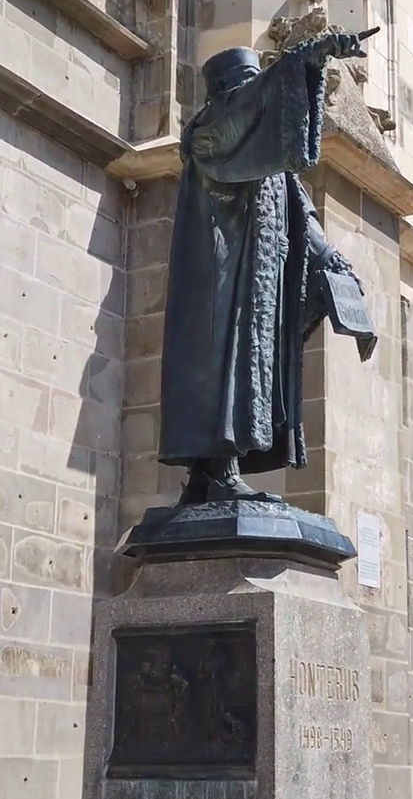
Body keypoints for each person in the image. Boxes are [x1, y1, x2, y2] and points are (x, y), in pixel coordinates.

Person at [157, 32, 379, 504]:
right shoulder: (210, 136)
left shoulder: (275, 170)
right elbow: (246, 109)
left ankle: (210, 476)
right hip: (221, 286)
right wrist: (305, 59)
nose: (261, 105)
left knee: (250, 374)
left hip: (260, 294)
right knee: (222, 370)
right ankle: (215, 470)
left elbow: (307, 227)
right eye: (249, 91)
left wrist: (342, 276)